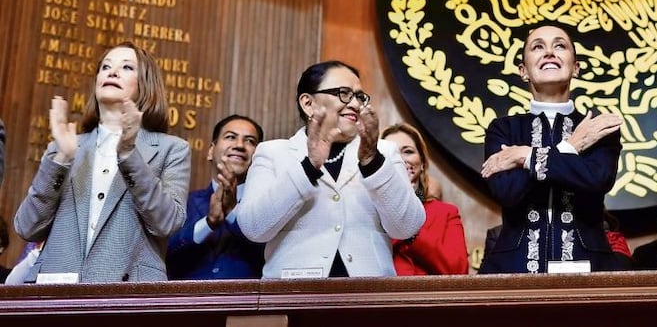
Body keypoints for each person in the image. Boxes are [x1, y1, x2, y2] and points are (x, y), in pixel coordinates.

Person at [13, 42, 191, 282]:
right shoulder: (64, 146)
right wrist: (61, 160)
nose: (112, 72)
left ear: (145, 85)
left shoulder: (172, 149)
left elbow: (167, 223)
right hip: (57, 297)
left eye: (127, 67)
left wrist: (129, 154)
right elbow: (26, 227)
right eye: (106, 66)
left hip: (127, 299)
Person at [235, 60, 424, 278]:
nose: (354, 104)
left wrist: (372, 163)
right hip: (292, 295)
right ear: (308, 103)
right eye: (344, 93)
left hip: (368, 295)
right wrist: (309, 168)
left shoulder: (384, 152)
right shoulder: (273, 153)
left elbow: (407, 226)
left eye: (359, 97)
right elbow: (253, 228)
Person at [478, 23, 624, 274]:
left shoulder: (597, 127)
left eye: (560, 46)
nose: (549, 52)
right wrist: (571, 147)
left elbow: (597, 179)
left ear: (575, 67)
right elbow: (508, 191)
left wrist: (526, 155)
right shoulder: (503, 129)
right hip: (514, 268)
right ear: (523, 71)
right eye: (537, 47)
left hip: (587, 265)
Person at [167, 114, 266, 279]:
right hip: (187, 301)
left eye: (250, 141)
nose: (240, 145)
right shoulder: (183, 203)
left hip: (244, 303)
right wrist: (209, 223)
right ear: (211, 151)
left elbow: (271, 255)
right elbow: (163, 252)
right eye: (230, 137)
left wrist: (233, 213)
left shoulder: (268, 207)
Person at [381, 122, 469, 275]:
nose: (400, 159)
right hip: (381, 296)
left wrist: (412, 231)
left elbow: (458, 270)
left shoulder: (445, 213)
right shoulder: (370, 211)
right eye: (391, 153)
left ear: (422, 162)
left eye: (407, 151)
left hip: (429, 296)